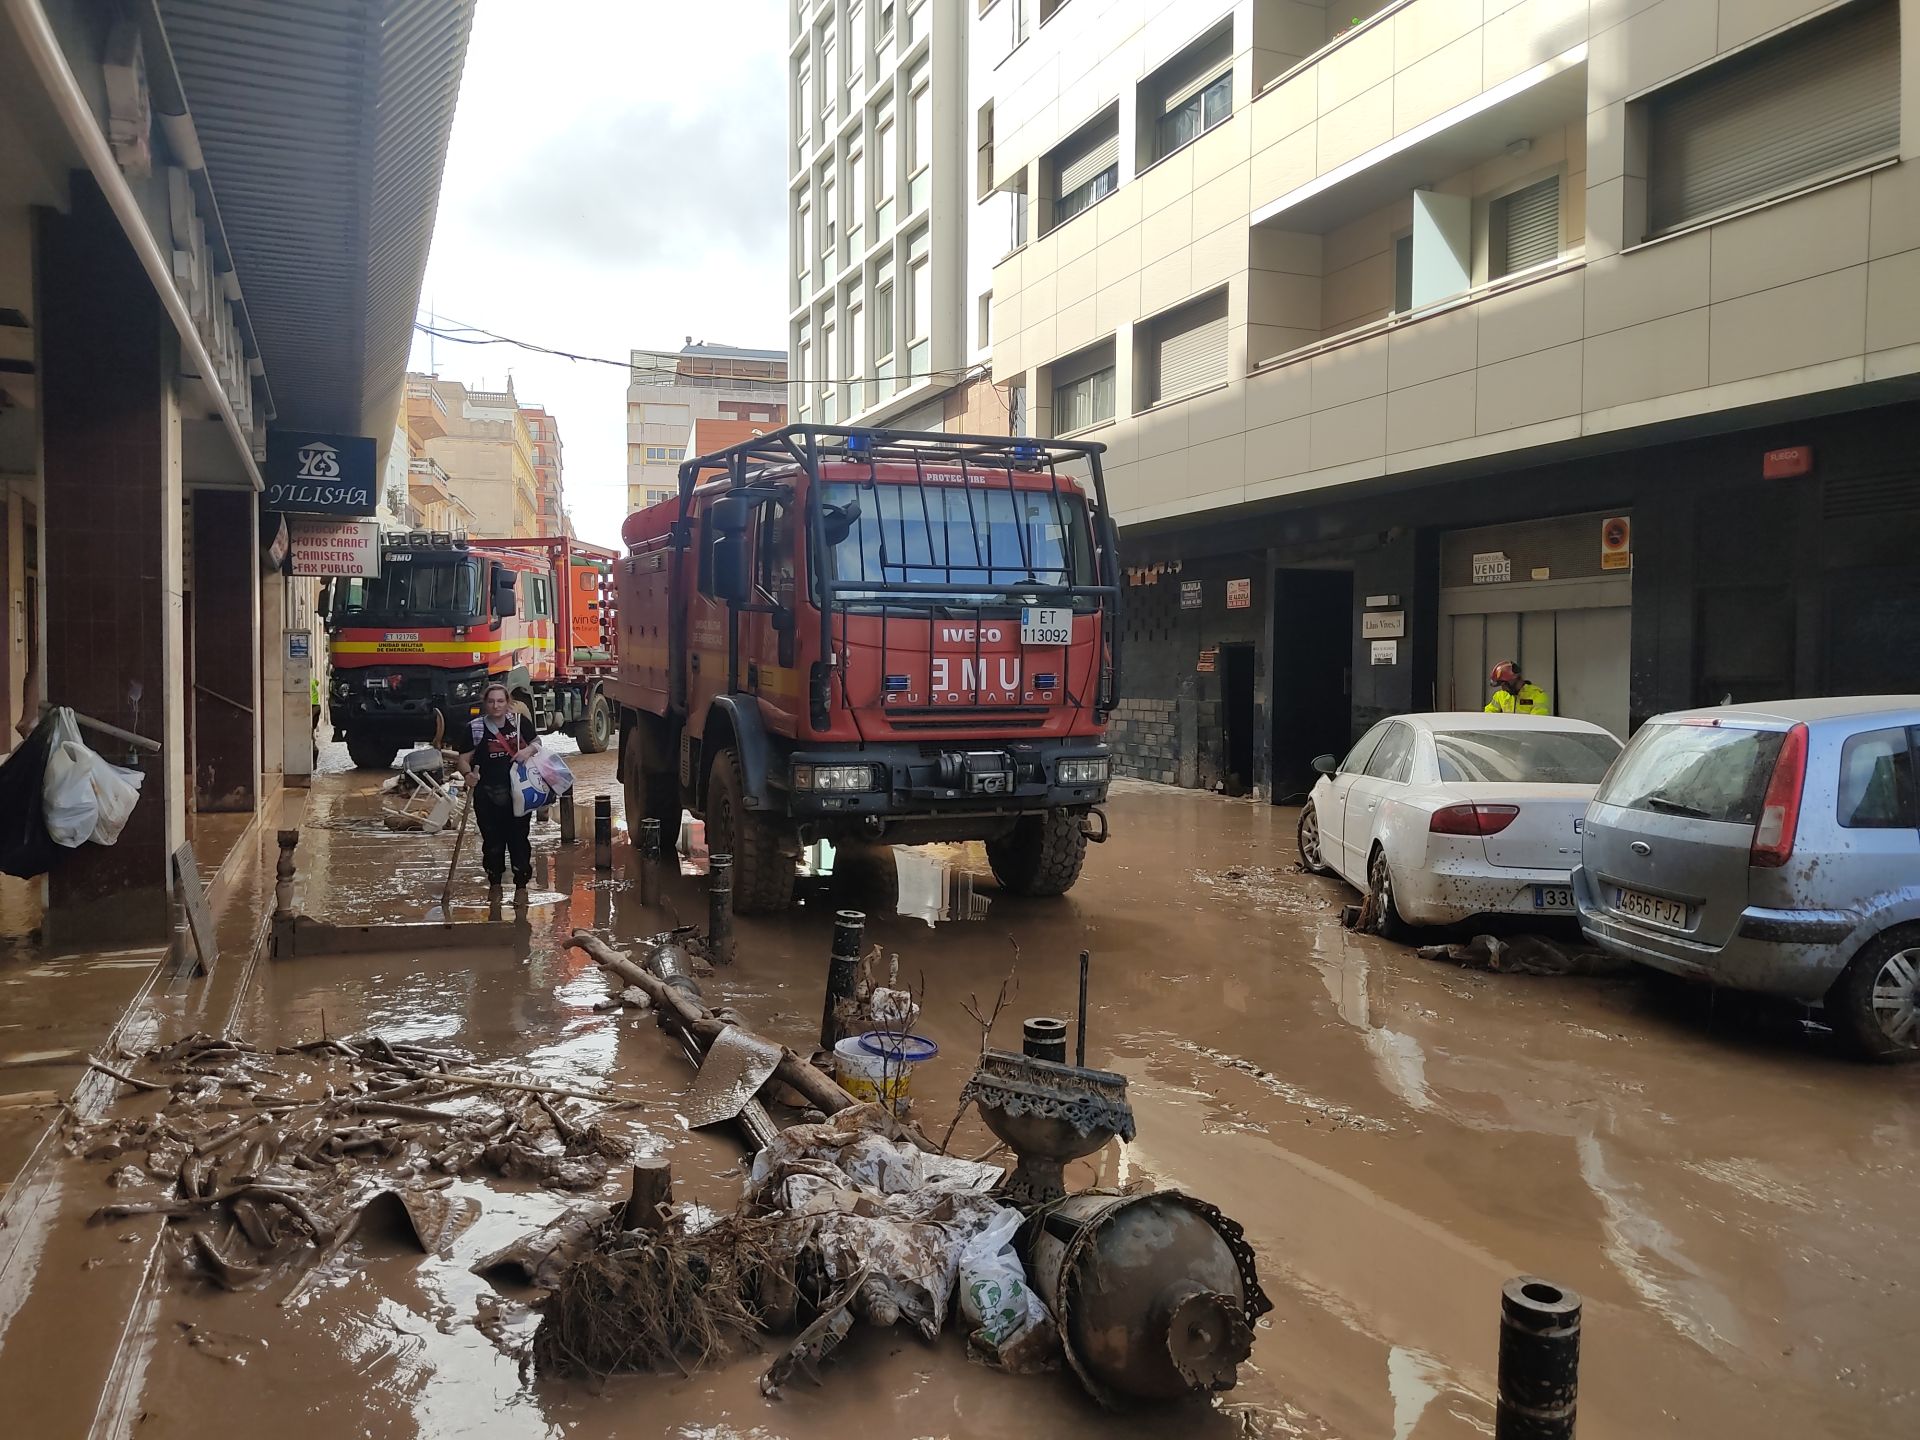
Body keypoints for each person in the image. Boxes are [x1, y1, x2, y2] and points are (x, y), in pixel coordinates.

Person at [455, 682, 539, 897]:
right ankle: (495, 886)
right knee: (492, 843)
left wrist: (527, 751)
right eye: (491, 701)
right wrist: (468, 775)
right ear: (485, 704)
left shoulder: (519, 724)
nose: (496, 706)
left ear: (508, 703)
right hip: (487, 796)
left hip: (518, 794)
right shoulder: (474, 729)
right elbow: (463, 759)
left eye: (500, 701)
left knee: (519, 840)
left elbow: (537, 742)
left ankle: (521, 889)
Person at [1485, 660, 1552, 715]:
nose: (1503, 688)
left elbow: (1537, 723)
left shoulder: (1537, 695)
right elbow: (1489, 714)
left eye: (1504, 684)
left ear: (1514, 680)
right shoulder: (1500, 696)